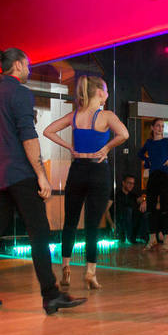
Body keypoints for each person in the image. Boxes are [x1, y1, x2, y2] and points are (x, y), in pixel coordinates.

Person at [0, 48, 86, 314]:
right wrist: (41, 175)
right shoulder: (20, 92)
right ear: (18, 65)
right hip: (21, 174)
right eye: (28, 65)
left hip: (2, 177)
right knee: (39, 233)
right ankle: (51, 295)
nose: (30, 70)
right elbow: (28, 136)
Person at [43, 74, 128, 289]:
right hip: (99, 171)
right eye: (106, 91)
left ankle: (66, 268)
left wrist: (69, 147)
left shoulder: (75, 116)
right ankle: (91, 272)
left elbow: (48, 131)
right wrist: (106, 148)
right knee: (92, 225)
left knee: (70, 222)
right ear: (99, 93)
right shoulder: (106, 116)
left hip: (78, 170)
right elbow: (124, 134)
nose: (107, 94)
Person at [138, 118, 168, 251]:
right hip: (153, 177)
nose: (160, 128)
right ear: (152, 128)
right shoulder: (149, 143)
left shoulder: (167, 141)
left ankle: (166, 240)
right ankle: (152, 238)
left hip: (165, 177)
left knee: (166, 208)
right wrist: (147, 160)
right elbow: (140, 153)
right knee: (151, 208)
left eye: (162, 126)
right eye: (158, 126)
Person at [113, 174, 139, 243]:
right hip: (120, 221)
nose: (131, 185)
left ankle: (143, 237)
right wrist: (112, 224)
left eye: (133, 183)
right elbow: (107, 210)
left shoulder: (133, 195)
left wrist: (144, 202)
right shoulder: (116, 194)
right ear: (123, 183)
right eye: (129, 183)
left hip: (132, 222)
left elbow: (141, 200)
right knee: (128, 210)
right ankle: (128, 237)